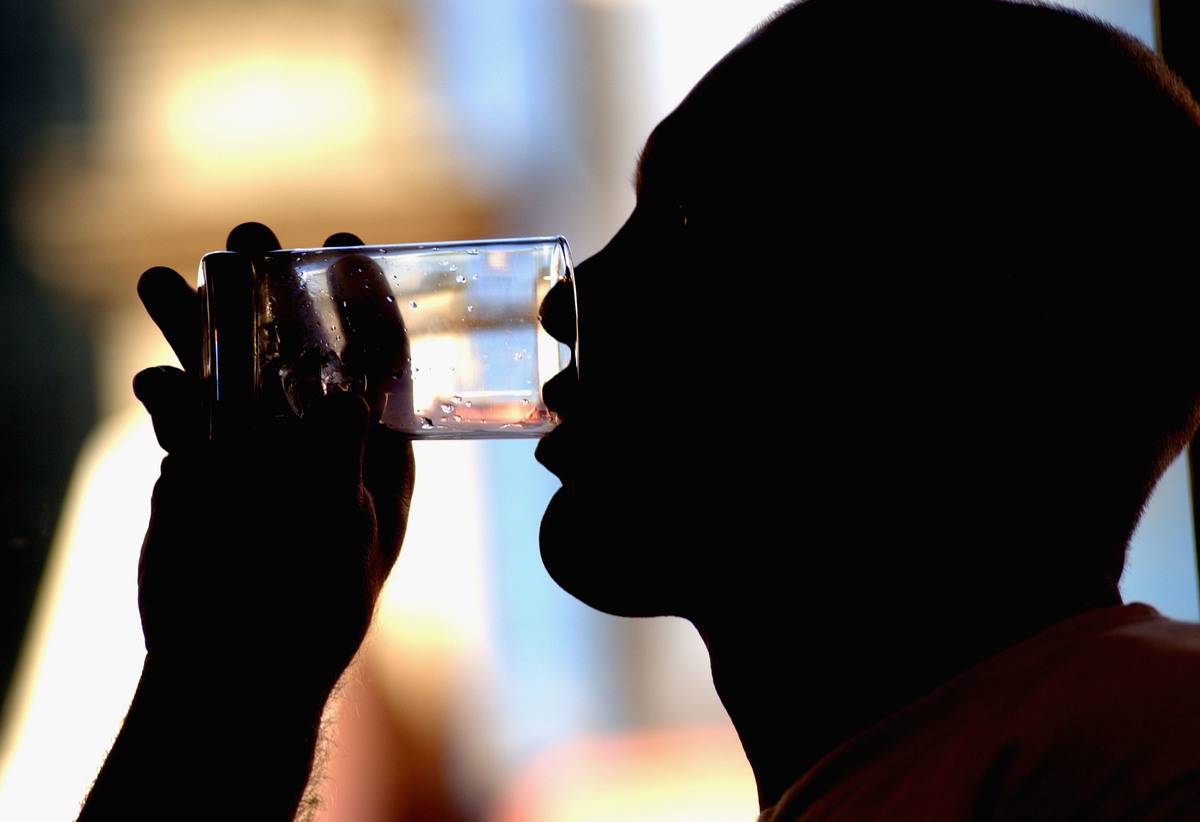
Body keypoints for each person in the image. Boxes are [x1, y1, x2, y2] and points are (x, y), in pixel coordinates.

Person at [78, 0, 1200, 819]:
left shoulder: (1144, 758)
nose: (576, 300)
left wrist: (223, 705)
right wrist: (237, 682)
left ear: (948, 334)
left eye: (688, 230)